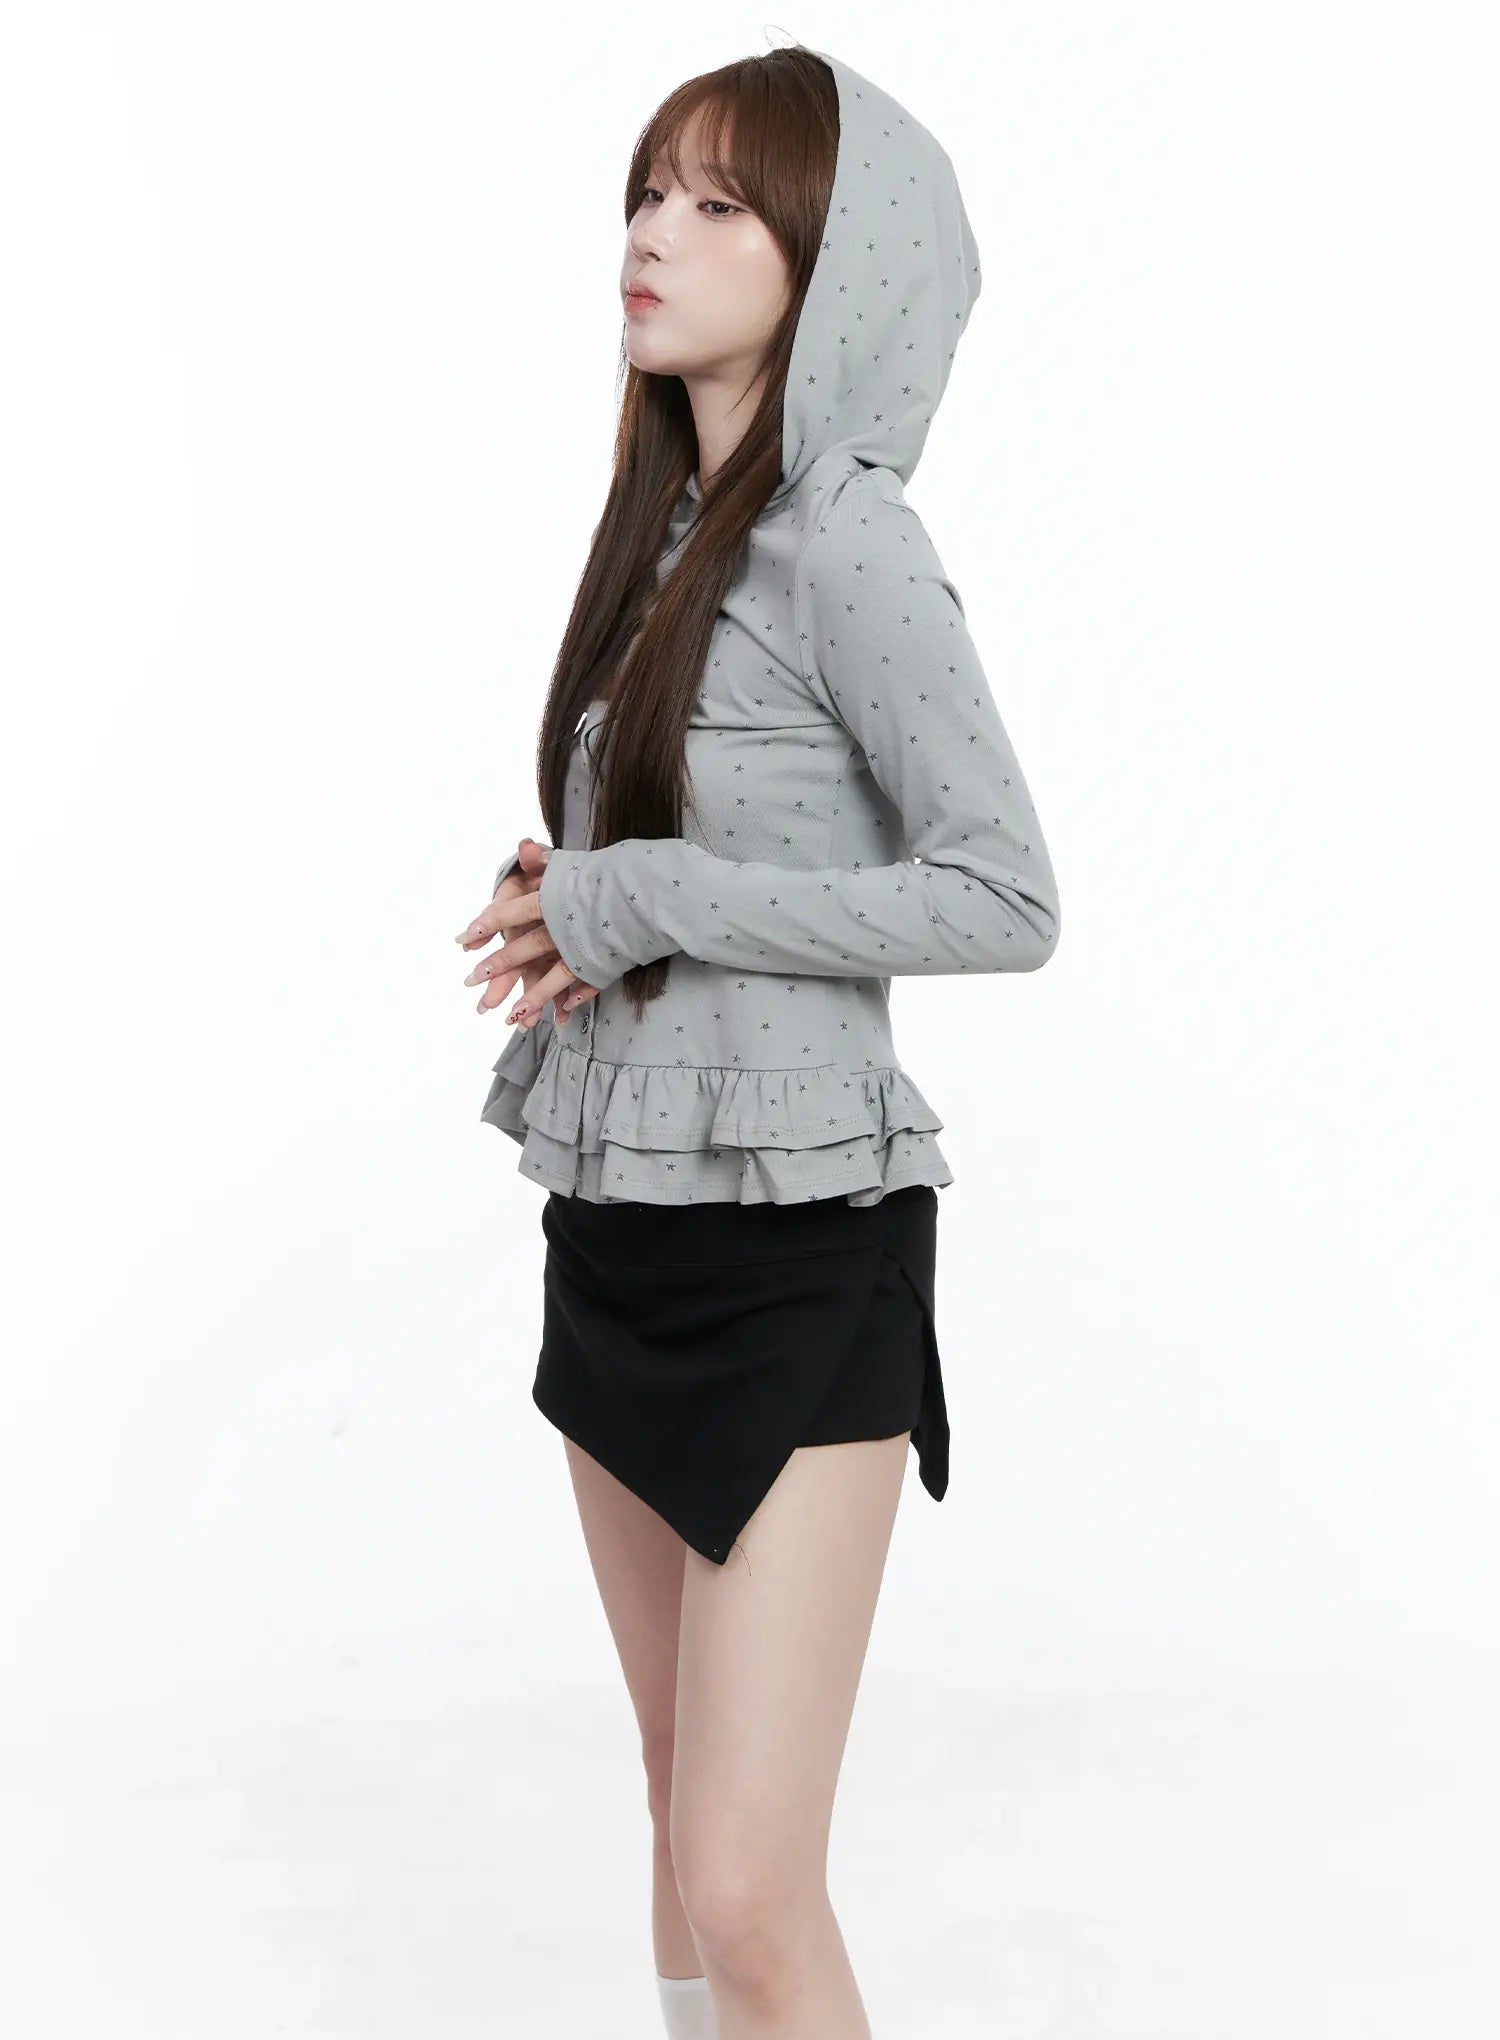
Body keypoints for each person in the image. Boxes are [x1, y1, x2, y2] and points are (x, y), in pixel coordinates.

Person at [456, 44, 1060, 2040]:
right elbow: (708, 858)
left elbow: (1004, 898)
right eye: (650, 189)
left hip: (803, 1256)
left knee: (745, 1871)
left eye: (720, 204)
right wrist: (578, 897)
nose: (655, 232)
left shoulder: (852, 540)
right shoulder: (661, 539)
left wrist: (654, 897)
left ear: (839, 260)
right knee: (672, 1802)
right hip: (620, 1222)